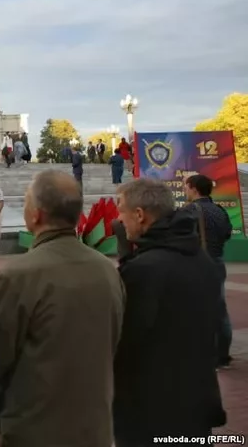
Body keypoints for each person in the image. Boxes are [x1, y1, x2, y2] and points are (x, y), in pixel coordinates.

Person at [0, 170, 124, 447]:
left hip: (34, 430)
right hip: (94, 427)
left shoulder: (18, 276)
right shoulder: (107, 270)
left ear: (36, 214)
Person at [113, 178, 226, 445]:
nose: (119, 219)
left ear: (139, 215)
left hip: (152, 409)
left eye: (121, 210)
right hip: (197, 399)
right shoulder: (201, 260)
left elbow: (126, 340)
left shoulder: (144, 271)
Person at [182, 174, 234, 368]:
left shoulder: (189, 211)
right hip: (217, 261)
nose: (185, 191)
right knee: (220, 309)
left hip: (196, 264)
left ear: (194, 188)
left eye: (186, 187)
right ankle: (223, 356)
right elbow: (227, 233)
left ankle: (203, 353)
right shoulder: (220, 210)